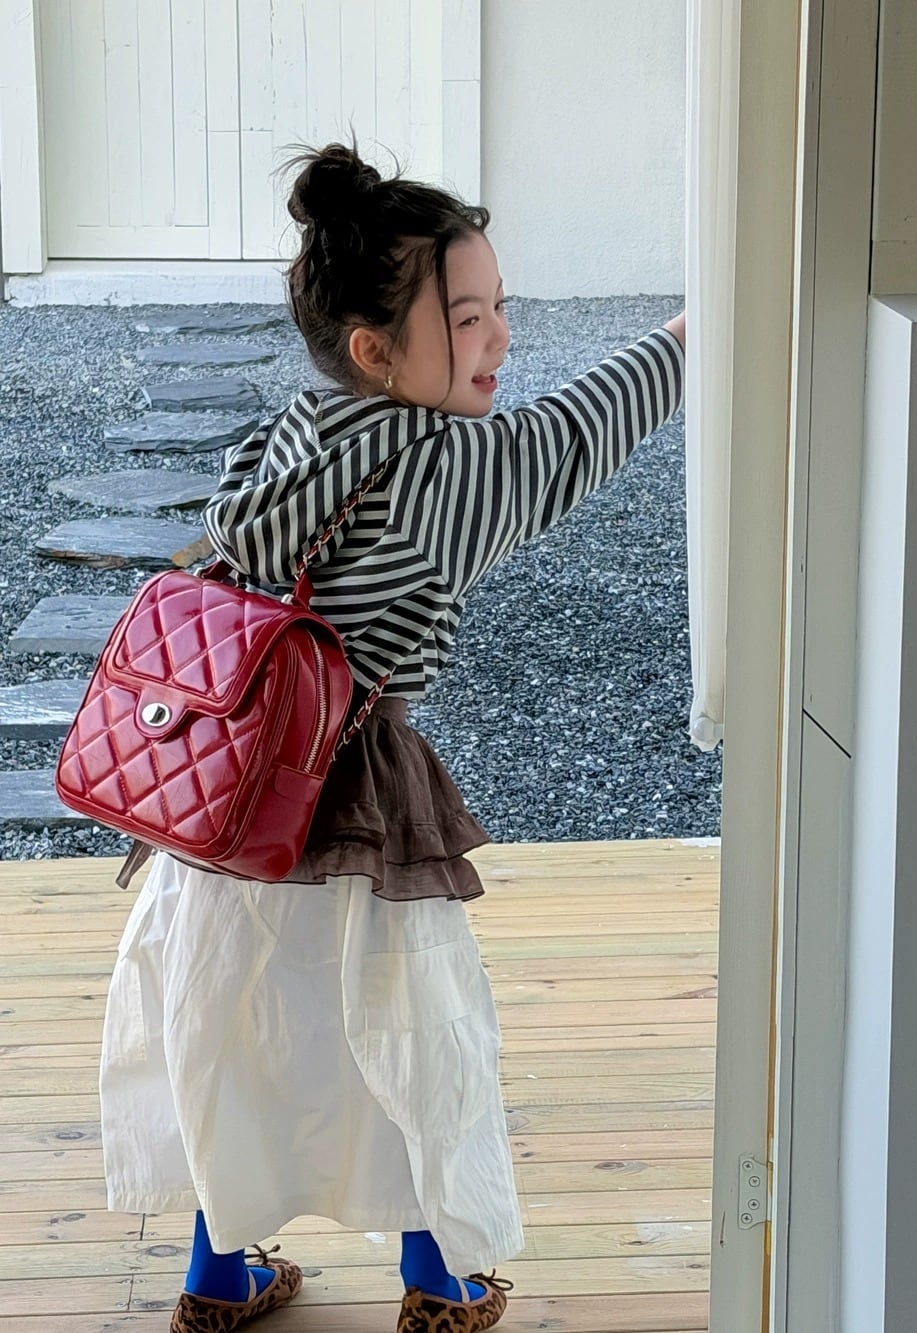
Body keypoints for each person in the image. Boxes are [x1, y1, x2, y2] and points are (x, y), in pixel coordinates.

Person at [98, 142, 686, 1333]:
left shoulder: (291, 436)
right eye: (467, 319)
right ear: (378, 351)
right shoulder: (443, 471)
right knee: (409, 1037)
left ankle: (218, 1279)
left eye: (500, 306)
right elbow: (570, 439)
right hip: (348, 795)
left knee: (233, 1034)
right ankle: (441, 1281)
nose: (500, 337)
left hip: (220, 798)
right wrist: (686, 339)